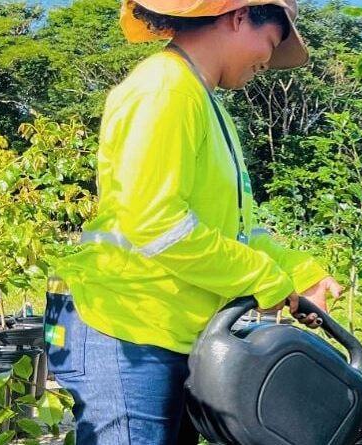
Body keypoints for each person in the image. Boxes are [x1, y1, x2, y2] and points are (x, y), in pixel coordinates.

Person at [44, 1, 342, 443]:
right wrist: (263, 277)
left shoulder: (207, 105)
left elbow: (239, 232)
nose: (268, 61)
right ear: (240, 16)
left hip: (168, 333)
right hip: (126, 330)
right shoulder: (165, 88)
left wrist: (301, 272)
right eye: (271, 43)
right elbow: (155, 222)